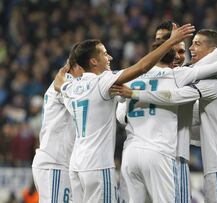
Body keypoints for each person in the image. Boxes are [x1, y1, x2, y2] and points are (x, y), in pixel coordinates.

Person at [53, 24, 195, 203]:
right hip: (97, 166)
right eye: (104, 53)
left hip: (76, 165)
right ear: (93, 61)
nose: (110, 56)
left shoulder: (71, 87)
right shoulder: (103, 82)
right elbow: (142, 67)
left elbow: (59, 84)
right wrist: (171, 42)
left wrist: (65, 70)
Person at [117, 29, 217, 203]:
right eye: (177, 51)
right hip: (166, 154)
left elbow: (120, 111)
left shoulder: (133, 75)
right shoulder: (180, 76)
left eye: (183, 50)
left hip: (134, 152)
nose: (182, 55)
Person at [32, 43, 84, 203]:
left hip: (61, 164)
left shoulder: (65, 82)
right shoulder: (67, 83)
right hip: (54, 163)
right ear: (76, 66)